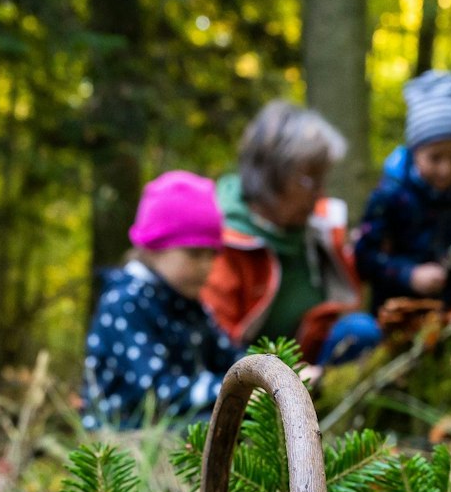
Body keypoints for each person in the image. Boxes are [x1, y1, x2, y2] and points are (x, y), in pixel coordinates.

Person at [205, 101, 379, 365]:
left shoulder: (319, 227)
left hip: (311, 367)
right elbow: (216, 345)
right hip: (249, 374)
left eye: (323, 179)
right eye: (310, 180)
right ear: (271, 175)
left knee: (361, 331)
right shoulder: (222, 240)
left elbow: (349, 299)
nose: (320, 193)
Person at [81, 171, 241, 430]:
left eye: (212, 254)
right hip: (125, 438)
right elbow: (156, 391)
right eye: (194, 254)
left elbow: (229, 357)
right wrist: (231, 389)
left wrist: (272, 374)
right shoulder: (125, 303)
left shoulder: (189, 304)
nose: (206, 266)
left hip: (181, 425)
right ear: (155, 247)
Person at [354, 71, 451, 312]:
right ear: (415, 151)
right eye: (435, 158)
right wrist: (408, 274)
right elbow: (364, 258)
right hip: (394, 312)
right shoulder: (390, 195)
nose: (446, 169)